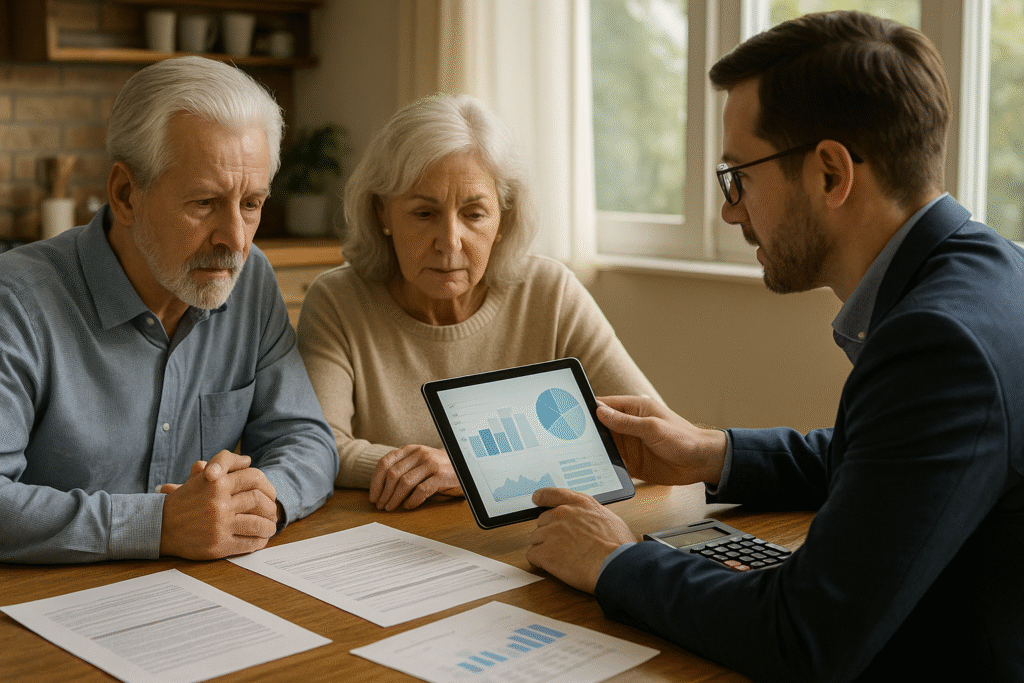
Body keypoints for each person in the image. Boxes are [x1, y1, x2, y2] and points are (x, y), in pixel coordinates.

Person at [526, 11, 1024, 682]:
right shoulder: (994, 271)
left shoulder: (938, 343)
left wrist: (611, 560)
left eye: (739, 176)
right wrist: (713, 453)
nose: (732, 210)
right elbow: (892, 462)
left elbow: (804, 637)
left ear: (829, 173)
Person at [0, 57, 339, 564]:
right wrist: (156, 526)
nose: (235, 240)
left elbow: (306, 439)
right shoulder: (18, 301)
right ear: (125, 193)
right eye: (204, 202)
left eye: (251, 204)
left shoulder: (250, 279)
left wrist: (250, 504)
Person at [298, 94, 659, 512]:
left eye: (474, 214)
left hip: (527, 533)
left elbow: (647, 436)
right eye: (423, 213)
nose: (449, 242)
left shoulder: (549, 290)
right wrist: (443, 470)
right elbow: (320, 445)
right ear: (383, 213)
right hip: (391, 535)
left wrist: (470, 469)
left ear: (503, 219)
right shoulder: (337, 300)